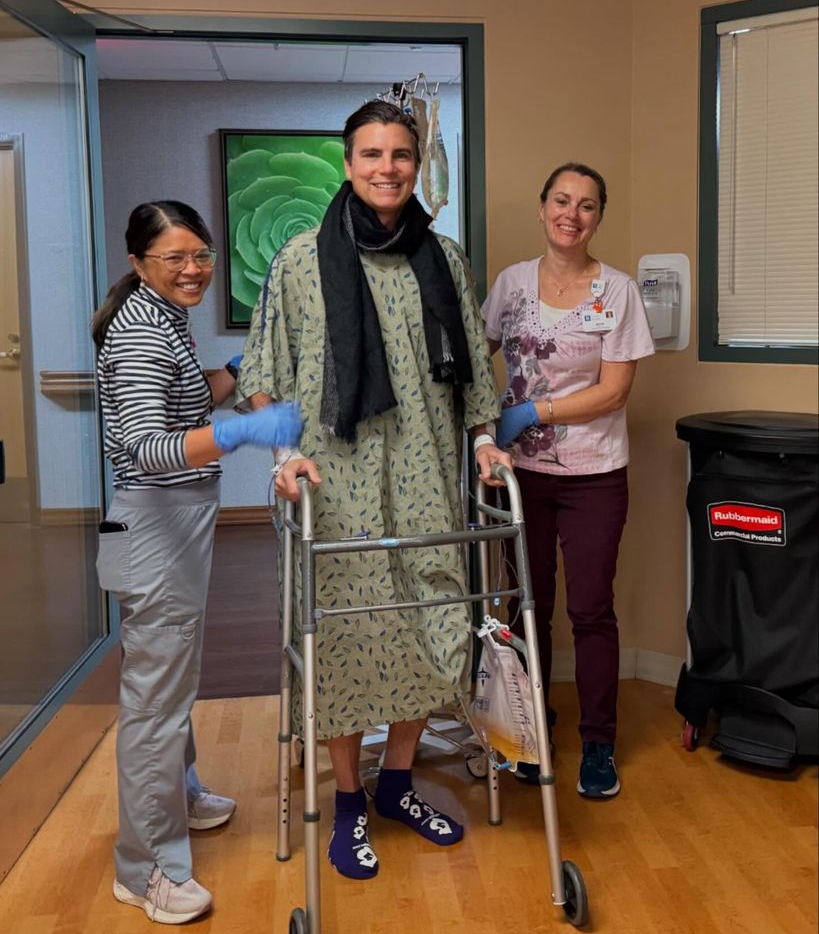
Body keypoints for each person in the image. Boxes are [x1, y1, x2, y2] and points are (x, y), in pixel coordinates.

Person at [237, 101, 511, 880]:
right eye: (370, 154)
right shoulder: (298, 260)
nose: (386, 168)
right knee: (345, 633)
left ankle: (398, 783)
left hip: (424, 469)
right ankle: (349, 800)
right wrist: (284, 450)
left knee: (431, 624)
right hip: (337, 477)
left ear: (416, 163)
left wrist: (486, 442)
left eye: (399, 154)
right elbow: (264, 372)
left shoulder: (445, 259)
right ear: (347, 162)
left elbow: (472, 377)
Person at [92, 201, 302, 924]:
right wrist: (244, 430)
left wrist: (233, 374)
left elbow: (182, 403)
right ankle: (144, 867)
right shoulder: (141, 335)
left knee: (169, 677)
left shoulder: (162, 320)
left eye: (201, 255)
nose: (193, 270)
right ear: (138, 263)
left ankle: (177, 793)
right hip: (155, 525)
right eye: (175, 258)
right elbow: (149, 449)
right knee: (154, 699)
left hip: (170, 524)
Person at [481, 163, 654, 799]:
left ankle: (600, 744)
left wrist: (535, 410)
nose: (571, 214)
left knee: (589, 610)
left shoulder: (618, 291)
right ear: (543, 207)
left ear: (598, 217)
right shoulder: (512, 284)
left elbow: (614, 391)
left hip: (593, 476)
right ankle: (531, 734)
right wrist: (485, 430)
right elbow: (478, 359)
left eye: (586, 205)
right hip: (517, 476)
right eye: (561, 200)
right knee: (528, 608)